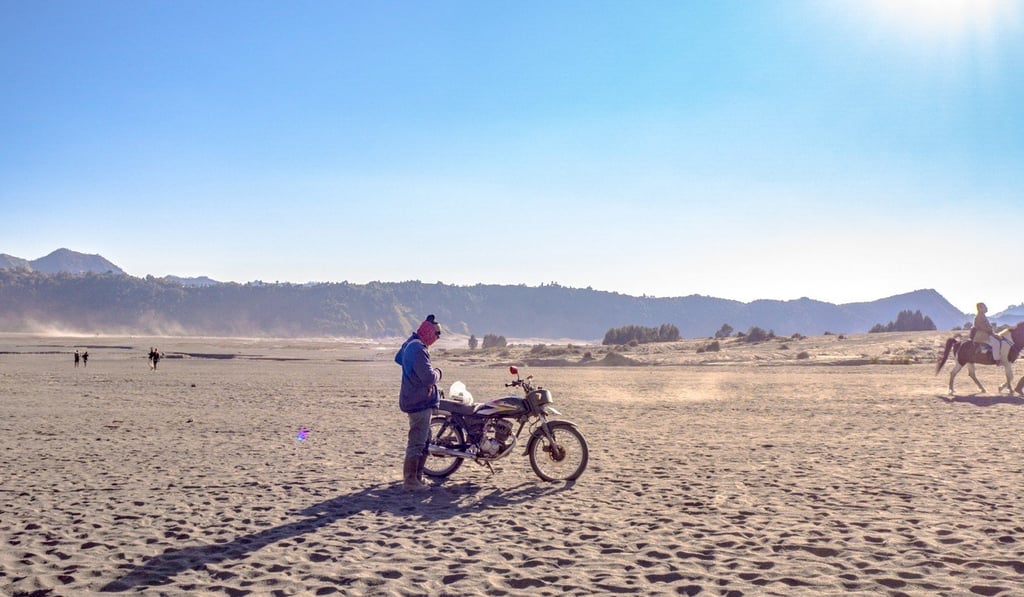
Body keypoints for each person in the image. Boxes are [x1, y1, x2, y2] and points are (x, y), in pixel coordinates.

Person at [394, 314, 443, 492]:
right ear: (429, 333)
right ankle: (410, 481)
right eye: (437, 334)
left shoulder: (412, 345)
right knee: (417, 442)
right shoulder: (418, 349)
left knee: (424, 439)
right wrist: (439, 372)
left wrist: (414, 337)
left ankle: (418, 478)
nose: (437, 338)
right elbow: (429, 377)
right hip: (418, 402)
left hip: (414, 399)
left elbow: (398, 358)